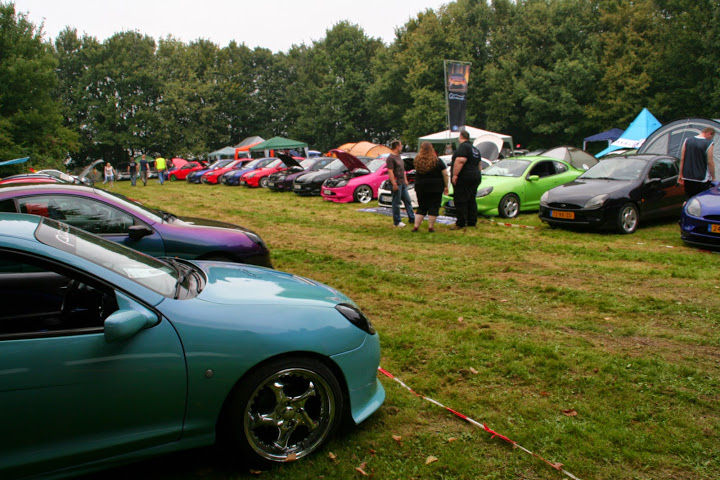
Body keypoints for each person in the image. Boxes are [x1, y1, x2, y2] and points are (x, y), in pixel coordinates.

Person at [412, 142, 448, 233]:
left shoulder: (417, 160)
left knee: (421, 207)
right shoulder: (437, 161)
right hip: (435, 187)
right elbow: (445, 174)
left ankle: (416, 226)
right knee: (434, 206)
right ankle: (431, 227)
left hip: (421, 186)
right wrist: (446, 185)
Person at [450, 129, 482, 229]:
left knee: (460, 200)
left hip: (464, 177)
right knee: (471, 200)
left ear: (461, 137)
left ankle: (460, 222)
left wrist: (455, 175)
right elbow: (479, 165)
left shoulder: (463, 147)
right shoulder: (475, 149)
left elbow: (460, 160)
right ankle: (472, 221)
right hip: (475, 176)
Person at [679, 127, 716, 200]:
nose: (711, 139)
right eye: (711, 137)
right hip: (702, 178)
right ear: (709, 133)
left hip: (687, 177)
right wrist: (713, 177)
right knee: (701, 200)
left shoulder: (687, 140)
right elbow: (710, 161)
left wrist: (680, 174)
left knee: (689, 200)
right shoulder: (709, 143)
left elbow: (682, 158)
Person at [386, 140, 416, 228]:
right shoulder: (390, 158)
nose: (402, 147)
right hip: (396, 183)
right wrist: (394, 184)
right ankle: (397, 221)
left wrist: (405, 180)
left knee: (407, 201)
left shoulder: (399, 156)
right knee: (396, 202)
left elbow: (402, 170)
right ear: (397, 146)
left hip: (402, 183)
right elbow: (390, 171)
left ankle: (412, 218)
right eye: (401, 145)